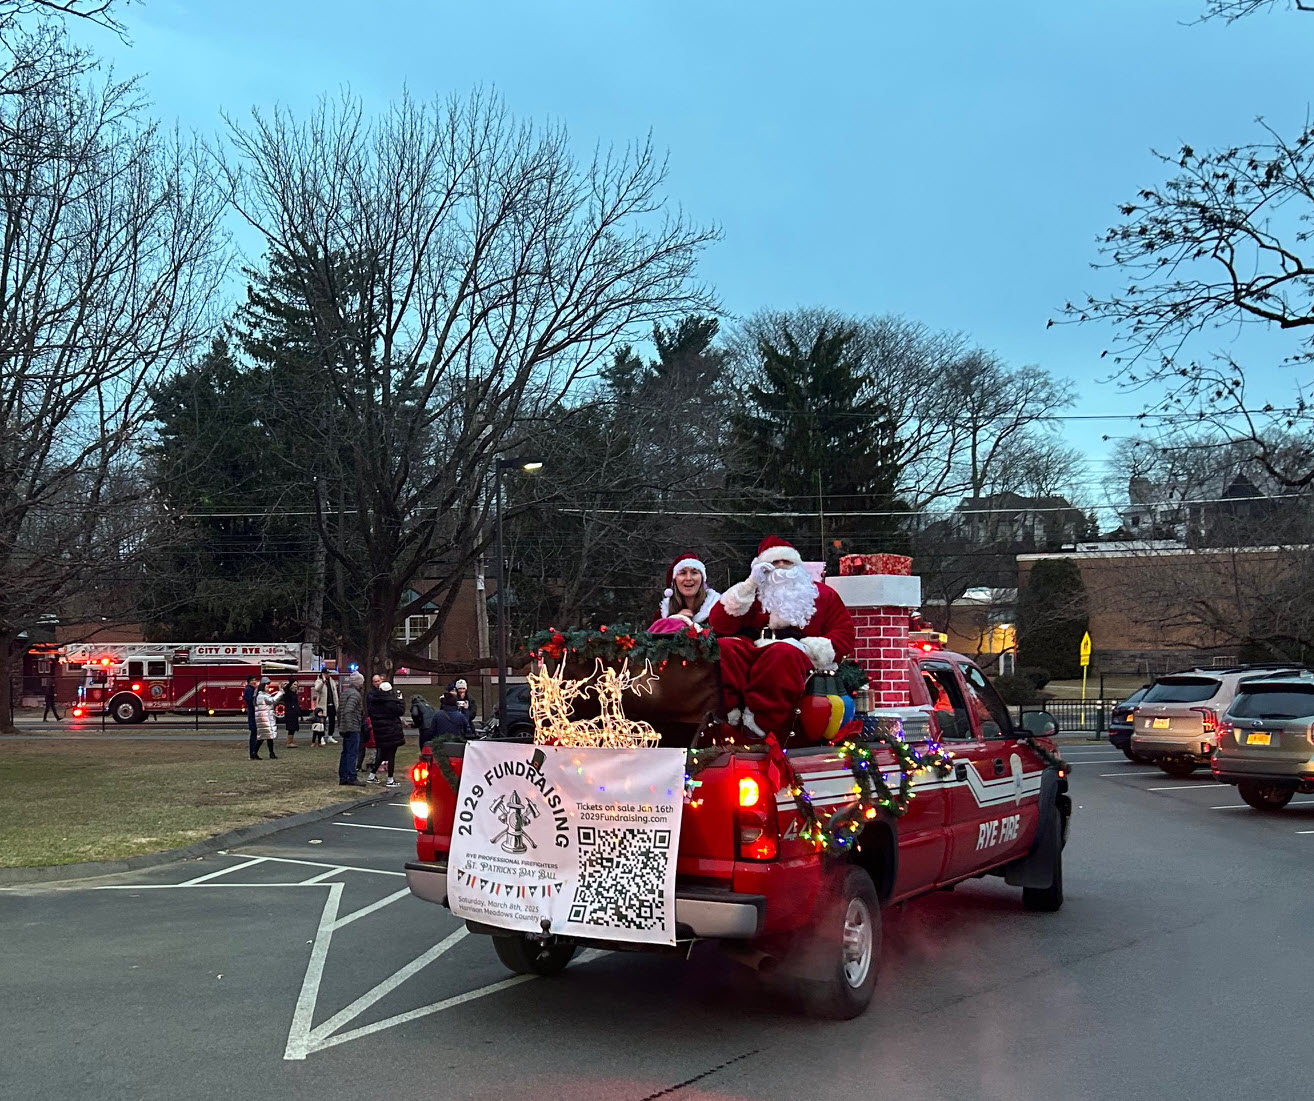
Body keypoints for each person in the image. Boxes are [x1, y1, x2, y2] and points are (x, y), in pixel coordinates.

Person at [709, 536, 856, 742]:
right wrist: (749, 585)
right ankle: (728, 715)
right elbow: (719, 624)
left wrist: (810, 648)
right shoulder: (751, 591)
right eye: (774, 563)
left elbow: (843, 633)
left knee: (782, 653)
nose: (780, 568)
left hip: (797, 653)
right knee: (725, 648)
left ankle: (760, 723)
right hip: (754, 646)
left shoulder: (822, 594)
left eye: (786, 562)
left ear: (797, 566)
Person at [649, 552, 720, 632]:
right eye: (683, 573)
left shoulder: (718, 609)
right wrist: (676, 621)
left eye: (694, 573)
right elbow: (651, 640)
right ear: (675, 580)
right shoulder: (663, 612)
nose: (688, 578)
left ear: (702, 578)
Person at [366, 679, 406, 787]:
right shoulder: (391, 702)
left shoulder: (374, 701)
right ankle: (390, 779)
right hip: (391, 731)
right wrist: (401, 700)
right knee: (391, 755)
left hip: (379, 731)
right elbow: (401, 711)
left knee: (382, 754)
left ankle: (372, 775)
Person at [337, 671, 365, 786]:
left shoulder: (345, 693)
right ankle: (352, 776)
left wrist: (341, 725)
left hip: (345, 727)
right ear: (358, 683)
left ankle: (343, 776)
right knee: (352, 753)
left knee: (345, 752)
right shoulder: (355, 695)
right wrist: (349, 726)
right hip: (352, 727)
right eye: (362, 682)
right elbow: (349, 710)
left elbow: (340, 711)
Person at [253, 677, 280, 759]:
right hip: (265, 718)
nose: (268, 687)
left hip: (263, 717)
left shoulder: (260, 695)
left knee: (266, 736)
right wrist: (280, 692)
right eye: (267, 686)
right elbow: (273, 700)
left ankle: (268, 753)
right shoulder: (262, 696)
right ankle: (266, 753)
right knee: (266, 736)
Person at [313, 670, 339, 744]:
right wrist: (323, 682)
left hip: (332, 704)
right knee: (322, 721)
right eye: (326, 673)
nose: (327, 675)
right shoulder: (318, 681)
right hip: (323, 705)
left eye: (328, 673)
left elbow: (334, 692)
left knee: (332, 721)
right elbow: (317, 689)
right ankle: (321, 737)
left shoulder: (331, 681)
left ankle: (330, 736)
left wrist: (336, 704)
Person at [243, 674, 261, 760]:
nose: (254, 681)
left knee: (255, 734)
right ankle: (252, 753)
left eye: (255, 680)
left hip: (254, 713)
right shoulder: (249, 690)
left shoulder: (252, 689)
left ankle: (254, 752)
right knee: (254, 733)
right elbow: (250, 701)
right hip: (253, 714)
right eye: (252, 680)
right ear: (249, 681)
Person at [282, 678, 303, 748]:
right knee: (291, 727)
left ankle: (291, 741)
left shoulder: (294, 693)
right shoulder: (288, 692)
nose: (296, 686)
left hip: (294, 712)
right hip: (290, 712)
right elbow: (286, 689)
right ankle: (289, 742)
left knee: (293, 728)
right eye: (294, 684)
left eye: (296, 684)